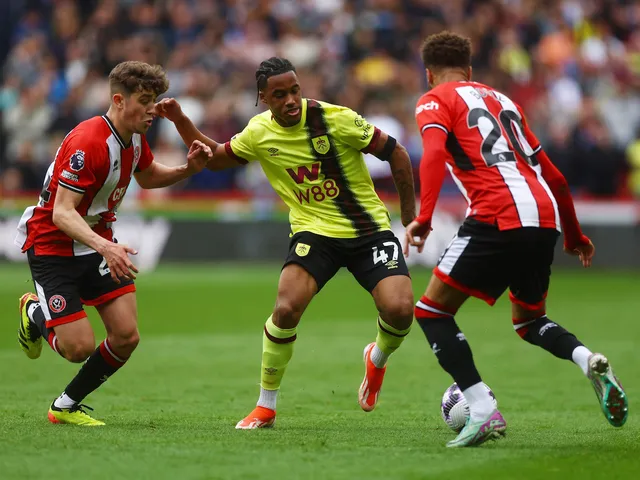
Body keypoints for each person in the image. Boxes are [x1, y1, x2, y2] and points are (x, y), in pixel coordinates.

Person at [155, 57, 417, 429]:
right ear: (263, 98)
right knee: (286, 308)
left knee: (400, 309)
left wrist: (409, 217)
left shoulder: (336, 119)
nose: (291, 100)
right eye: (280, 95)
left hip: (368, 230)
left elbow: (397, 153)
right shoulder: (259, 132)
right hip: (314, 232)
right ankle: (266, 406)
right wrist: (180, 119)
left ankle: (377, 358)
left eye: (295, 90)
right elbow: (215, 159)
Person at [404, 32, 628, 448]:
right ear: (470, 69)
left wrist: (424, 216)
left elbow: (432, 154)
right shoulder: (505, 101)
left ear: (429, 73)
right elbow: (555, 176)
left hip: (496, 212)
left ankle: (481, 409)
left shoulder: (434, 99)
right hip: (543, 215)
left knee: (432, 312)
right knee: (529, 321)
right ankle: (587, 360)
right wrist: (574, 234)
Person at [15, 61, 212, 426]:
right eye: (145, 100)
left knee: (126, 336)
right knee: (78, 349)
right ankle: (34, 312)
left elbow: (148, 176)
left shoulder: (134, 136)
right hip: (54, 245)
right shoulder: (89, 141)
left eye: (155, 100)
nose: (152, 110)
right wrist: (105, 246)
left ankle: (65, 405)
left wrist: (188, 169)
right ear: (119, 101)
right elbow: (62, 212)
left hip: (97, 240)